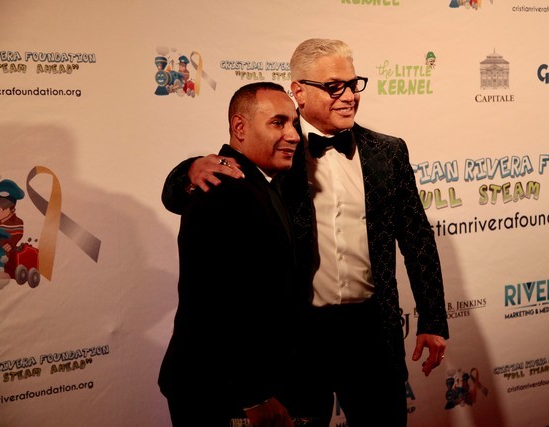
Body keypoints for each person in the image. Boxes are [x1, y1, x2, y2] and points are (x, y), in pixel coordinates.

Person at [162, 39, 449, 427]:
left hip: (371, 333)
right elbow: (198, 199)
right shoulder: (278, 146)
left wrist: (432, 320)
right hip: (299, 338)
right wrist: (190, 169)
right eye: (334, 86)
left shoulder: (389, 152)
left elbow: (417, 238)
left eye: (353, 84)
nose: (349, 96)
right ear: (299, 91)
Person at [158, 82, 304, 427]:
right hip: (221, 391)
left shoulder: (261, 181)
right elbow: (214, 302)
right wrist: (253, 394)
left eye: (294, 123)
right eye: (278, 122)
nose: (294, 135)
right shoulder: (222, 188)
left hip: (241, 384)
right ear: (240, 127)